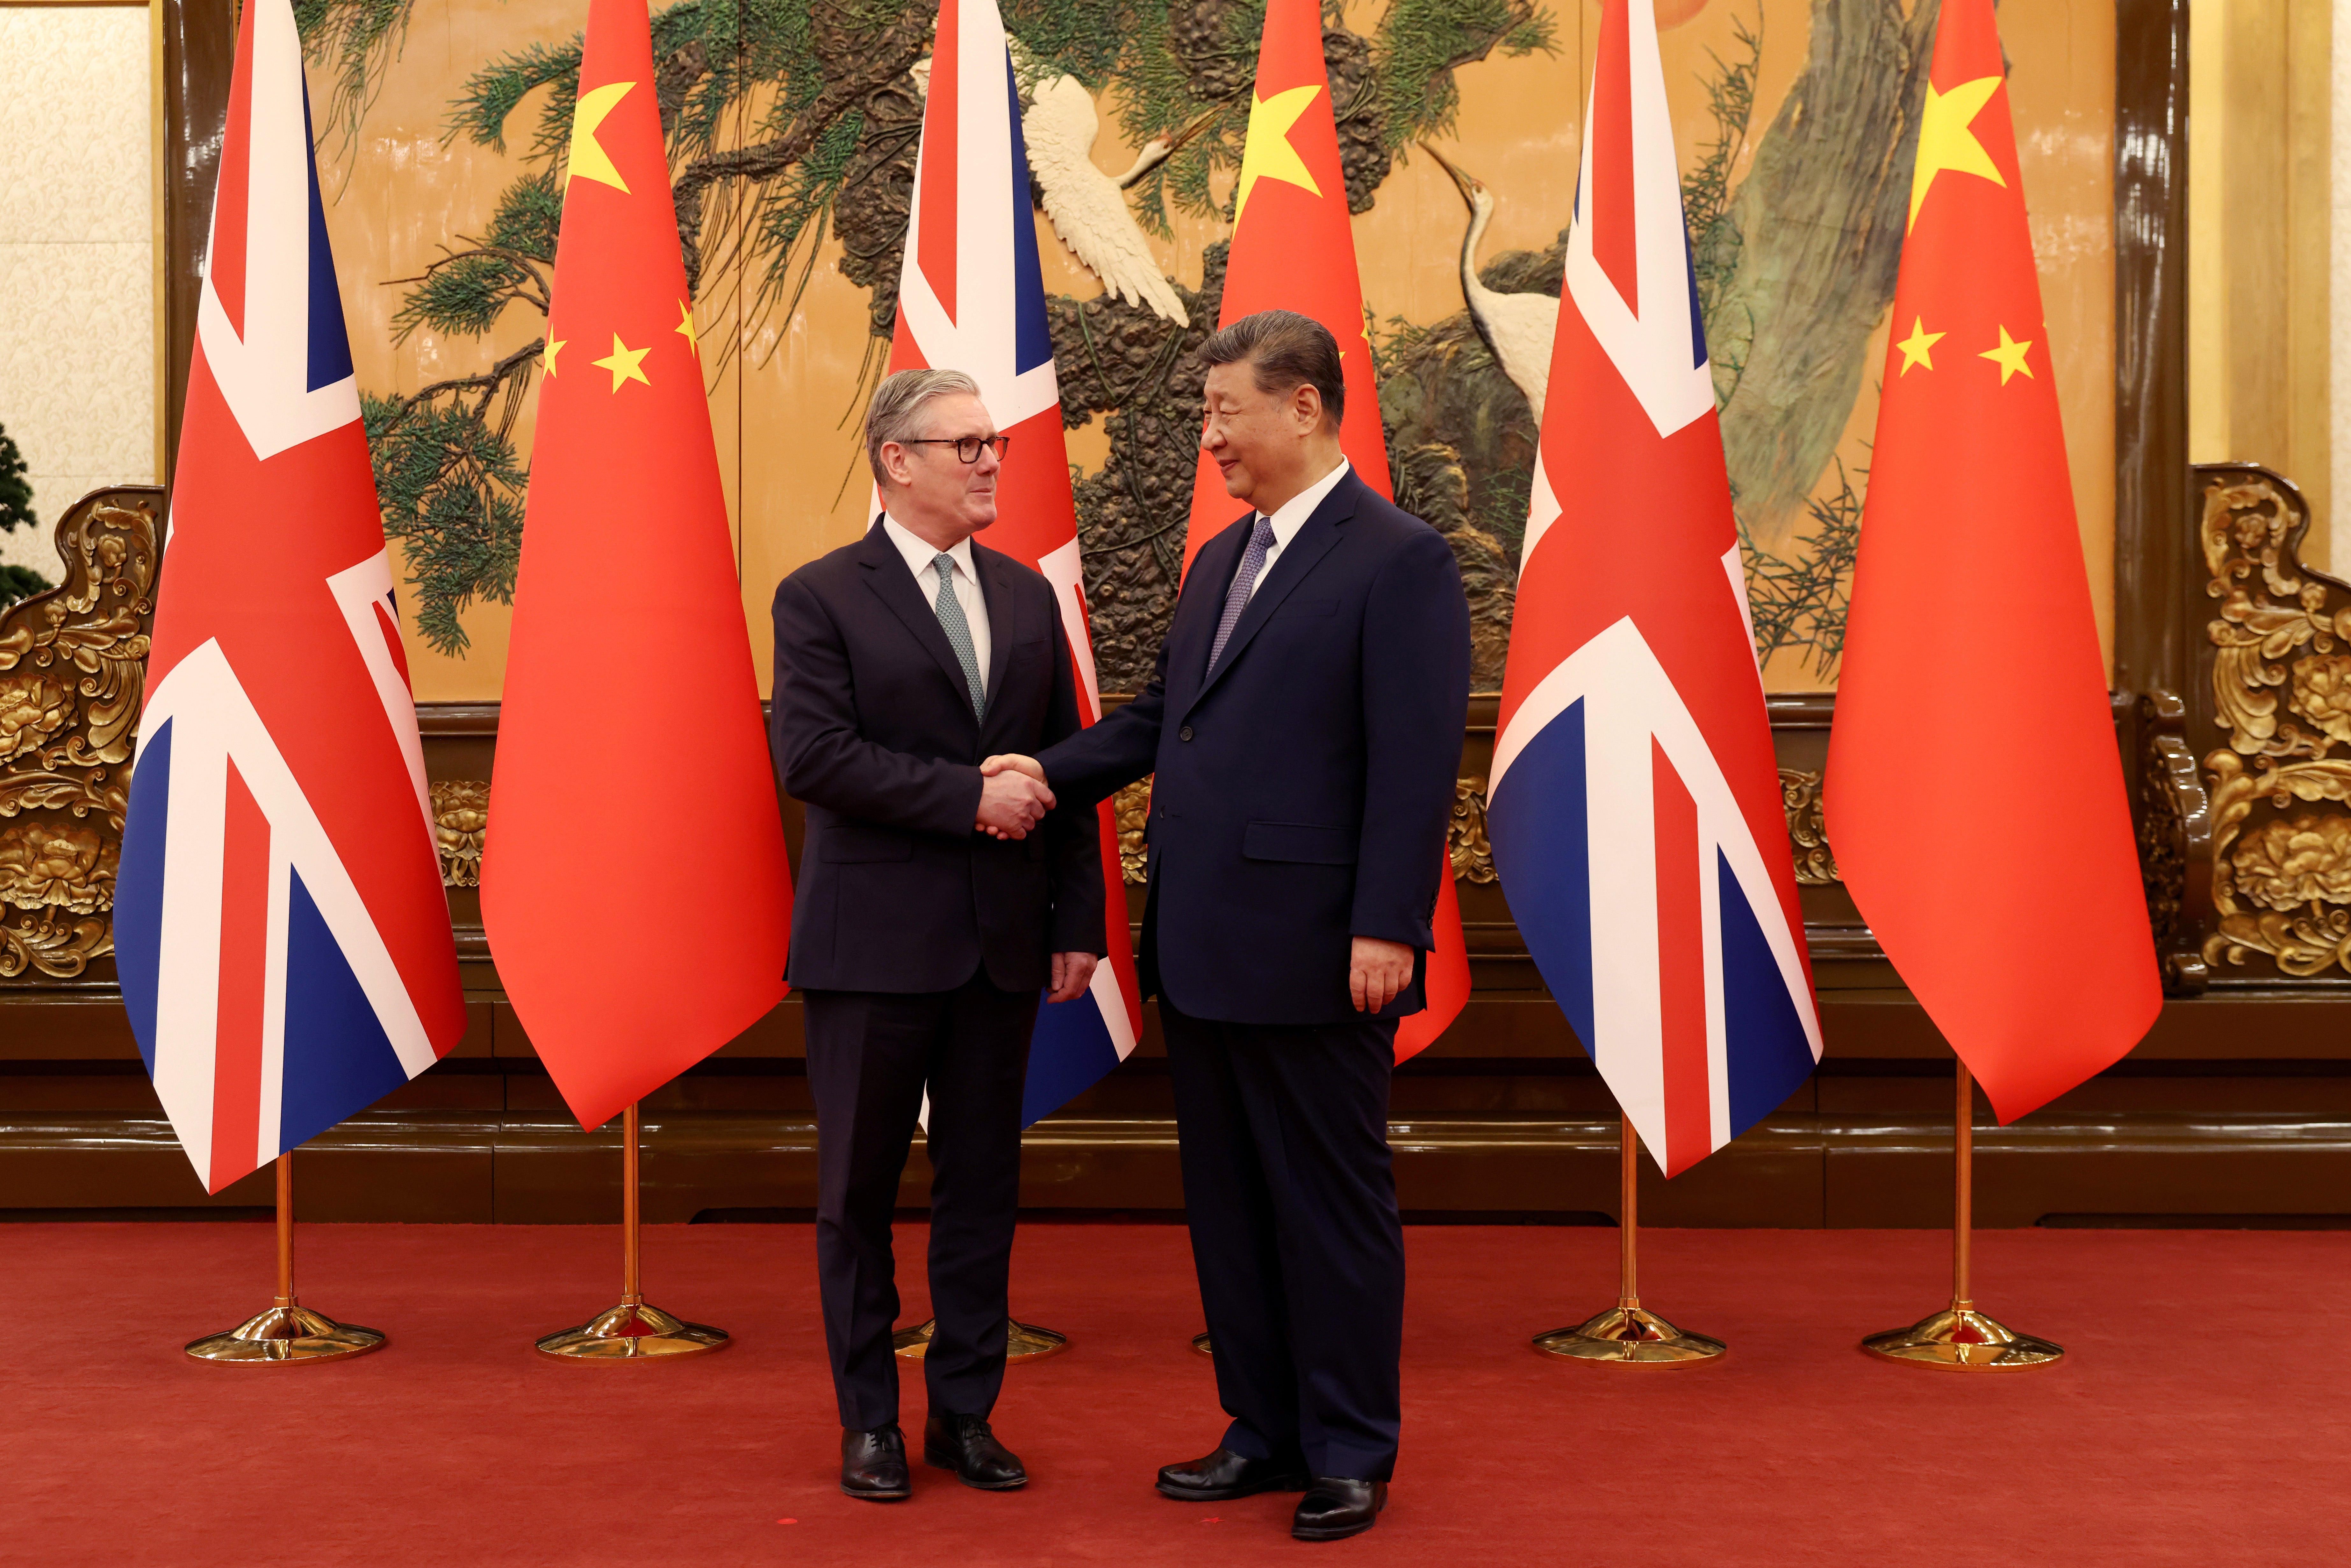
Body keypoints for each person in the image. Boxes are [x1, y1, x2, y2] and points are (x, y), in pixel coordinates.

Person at [985, 310, 1472, 1542]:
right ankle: (1261, 1430)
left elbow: (1415, 766)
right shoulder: (1221, 562)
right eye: (1206, 417)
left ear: (1303, 406)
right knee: (1233, 1205)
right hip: (1203, 946)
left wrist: (1388, 926)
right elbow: (1163, 720)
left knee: (1330, 1207)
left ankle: (1352, 1446)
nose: (1211, 439)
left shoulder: (1397, 558)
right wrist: (1036, 770)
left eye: (1225, 413)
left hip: (1323, 949)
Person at [769, 367, 1105, 1502]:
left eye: (994, 443)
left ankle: (967, 1411)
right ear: (895, 459)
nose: (989, 461)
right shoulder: (821, 596)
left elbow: (1063, 764)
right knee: (857, 1196)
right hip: (869, 949)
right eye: (964, 444)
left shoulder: (1025, 597)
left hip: (1002, 946)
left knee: (982, 1192)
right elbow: (811, 758)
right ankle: (870, 1422)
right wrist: (966, 796)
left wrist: (1079, 919)